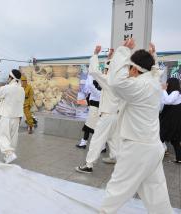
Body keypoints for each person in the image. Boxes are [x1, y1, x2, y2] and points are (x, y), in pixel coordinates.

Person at [100, 39, 173, 213]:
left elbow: (116, 82)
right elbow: (152, 71)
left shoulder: (140, 85)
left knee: (118, 187)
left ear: (134, 69)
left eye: (129, 69)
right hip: (153, 147)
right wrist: (151, 56)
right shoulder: (153, 82)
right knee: (156, 192)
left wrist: (124, 50)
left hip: (137, 148)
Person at [76, 46, 119, 174]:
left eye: (107, 69)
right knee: (113, 139)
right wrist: (109, 58)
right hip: (116, 115)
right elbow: (107, 69)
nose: (105, 72)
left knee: (96, 140)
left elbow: (94, 71)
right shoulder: (120, 80)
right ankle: (116, 158)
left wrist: (95, 55)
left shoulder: (109, 81)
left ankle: (89, 165)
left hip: (107, 115)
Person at [0, 69, 25, 163]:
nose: (8, 78)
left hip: (7, 116)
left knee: (2, 135)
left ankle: (9, 153)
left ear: (11, 77)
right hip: (17, 117)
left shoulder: (6, 88)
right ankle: (9, 155)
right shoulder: (21, 89)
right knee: (13, 136)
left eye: (9, 76)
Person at [76, 74, 101, 148]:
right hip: (95, 109)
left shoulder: (96, 92)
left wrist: (91, 74)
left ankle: (84, 143)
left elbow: (90, 85)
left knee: (89, 127)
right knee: (91, 127)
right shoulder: (100, 92)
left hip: (94, 110)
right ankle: (101, 146)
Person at [160, 77, 181, 164]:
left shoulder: (176, 93)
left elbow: (167, 101)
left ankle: (156, 156)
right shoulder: (174, 93)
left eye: (167, 83)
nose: (166, 84)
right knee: (175, 139)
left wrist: (163, 90)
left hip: (172, 121)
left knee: (162, 136)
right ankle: (179, 158)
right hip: (171, 120)